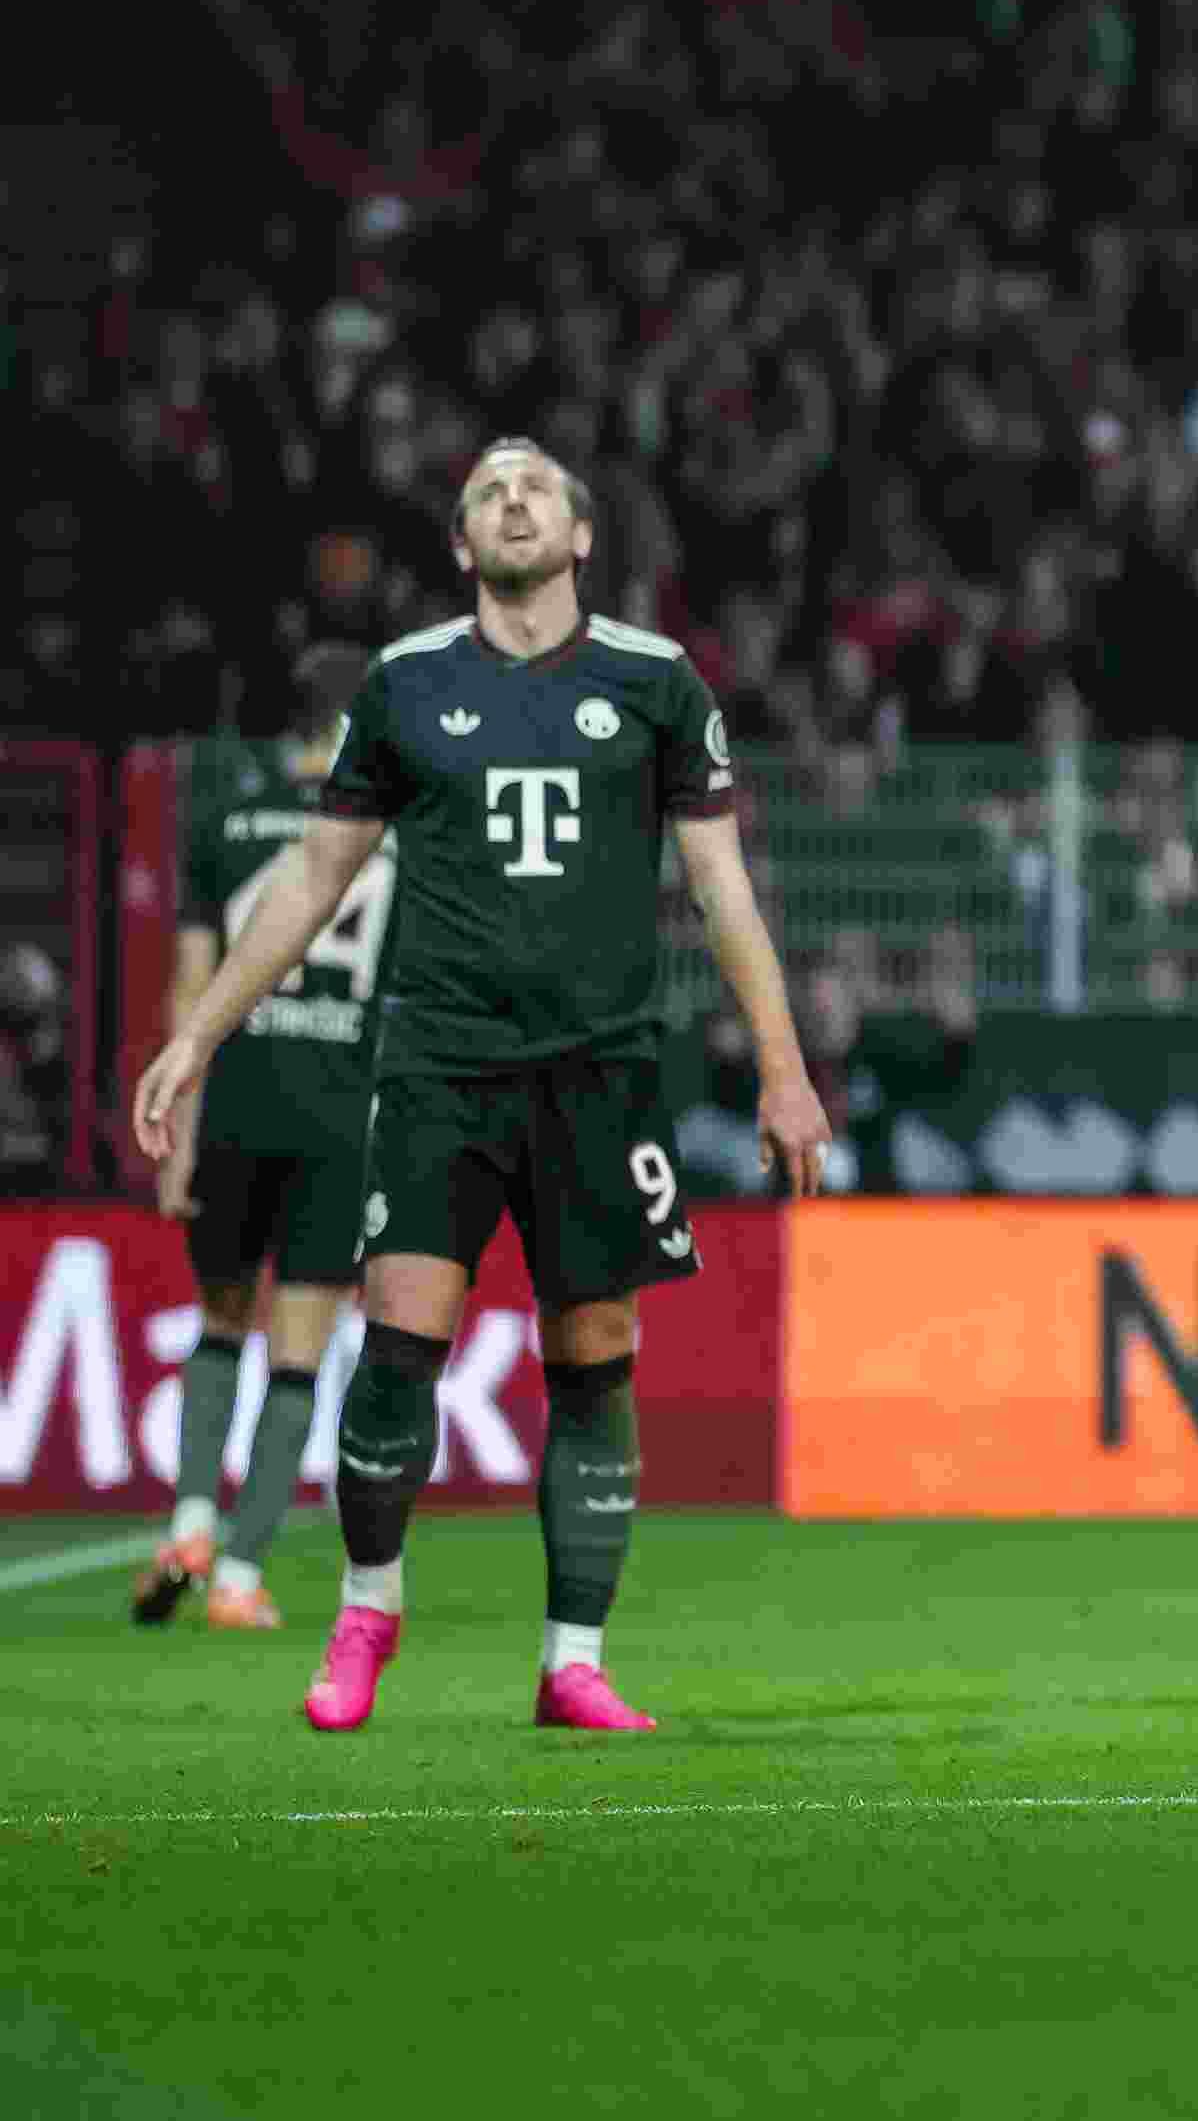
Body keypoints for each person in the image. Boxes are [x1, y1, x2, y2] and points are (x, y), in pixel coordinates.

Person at [132, 439, 830, 1734]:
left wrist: (783, 1067)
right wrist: (201, 1034)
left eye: (535, 488)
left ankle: (573, 1659)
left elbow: (721, 886)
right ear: (463, 547)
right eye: (485, 492)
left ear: (578, 536)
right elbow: (311, 881)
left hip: (602, 1069)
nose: (511, 497)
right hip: (441, 1061)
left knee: (594, 1351)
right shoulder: (404, 684)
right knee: (399, 1335)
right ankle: (366, 1610)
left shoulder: (656, 680)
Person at [132, 645, 385, 1632]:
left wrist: (181, 1133)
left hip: (236, 1100)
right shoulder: (380, 834)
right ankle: (239, 1576)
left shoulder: (225, 828)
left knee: (219, 1321)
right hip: (336, 1112)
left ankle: (189, 1522)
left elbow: (190, 989)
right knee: (298, 1354)